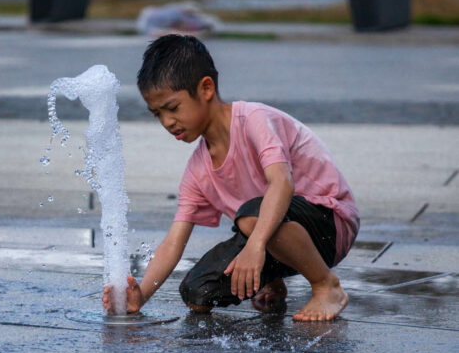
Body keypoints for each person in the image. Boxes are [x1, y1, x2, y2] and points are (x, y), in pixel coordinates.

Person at [103, 34, 359, 321]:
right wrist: (142, 295)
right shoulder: (197, 171)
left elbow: (282, 183)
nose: (167, 122)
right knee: (197, 292)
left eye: (172, 108)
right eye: (157, 114)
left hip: (329, 223)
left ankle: (326, 285)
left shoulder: (253, 120)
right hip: (271, 234)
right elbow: (174, 241)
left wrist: (255, 246)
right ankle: (271, 277)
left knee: (251, 217)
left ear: (206, 88)